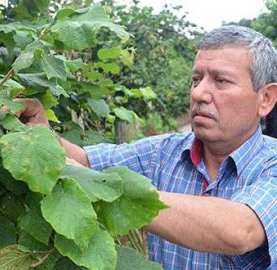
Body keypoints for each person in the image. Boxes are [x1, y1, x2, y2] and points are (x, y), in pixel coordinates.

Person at [18, 25, 277, 269]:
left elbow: (240, 230)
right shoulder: (162, 153)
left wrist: (112, 190)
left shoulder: (272, 163)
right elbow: (84, 161)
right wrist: (40, 132)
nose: (199, 94)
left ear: (265, 99)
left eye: (221, 81)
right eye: (196, 80)